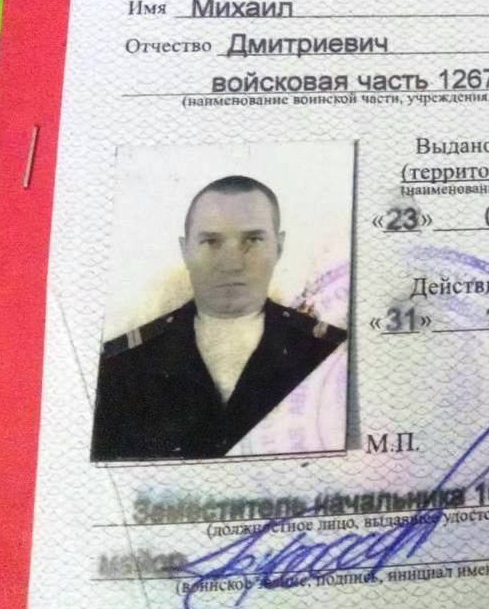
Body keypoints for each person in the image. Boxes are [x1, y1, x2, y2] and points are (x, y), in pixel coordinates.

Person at [91, 175, 346, 461]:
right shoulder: (119, 366)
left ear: (279, 247)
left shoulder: (331, 351)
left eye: (253, 240)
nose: (231, 264)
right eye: (211, 242)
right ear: (185, 251)